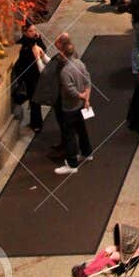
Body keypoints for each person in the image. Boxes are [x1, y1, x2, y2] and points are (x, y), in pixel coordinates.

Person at [52, 34, 93, 175]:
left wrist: (80, 95)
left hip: (69, 107)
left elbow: (70, 90)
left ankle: (72, 163)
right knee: (81, 129)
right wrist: (86, 98)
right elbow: (87, 80)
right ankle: (87, 153)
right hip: (81, 105)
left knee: (69, 134)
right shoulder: (80, 63)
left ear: (63, 53)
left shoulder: (65, 71)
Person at [11, 19, 48, 132]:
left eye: (35, 30)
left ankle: (36, 122)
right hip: (29, 76)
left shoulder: (36, 40)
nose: (34, 33)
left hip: (37, 74)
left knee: (36, 100)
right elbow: (21, 62)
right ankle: (36, 124)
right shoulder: (22, 44)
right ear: (25, 32)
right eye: (31, 31)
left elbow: (44, 50)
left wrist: (39, 39)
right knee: (34, 100)